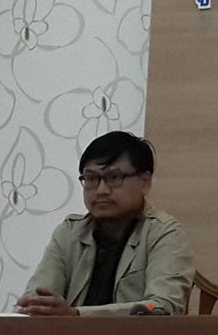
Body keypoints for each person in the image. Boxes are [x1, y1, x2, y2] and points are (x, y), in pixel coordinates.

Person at [18, 131, 194, 316]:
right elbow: (36, 299)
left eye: (114, 178)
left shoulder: (165, 233)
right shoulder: (70, 233)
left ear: (145, 182)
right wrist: (34, 308)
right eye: (91, 179)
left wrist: (77, 315)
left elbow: (161, 307)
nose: (101, 190)